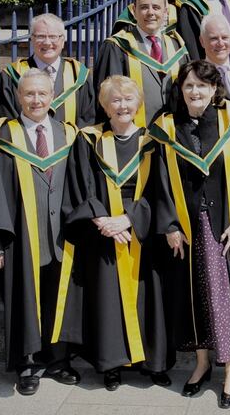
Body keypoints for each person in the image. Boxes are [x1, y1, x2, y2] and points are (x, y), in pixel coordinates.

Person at [147, 60, 230, 409]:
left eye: (202, 86)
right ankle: (201, 362)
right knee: (192, 294)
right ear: (180, 91)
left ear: (215, 90)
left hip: (223, 223)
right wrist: (168, 225)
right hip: (184, 226)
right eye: (188, 86)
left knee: (220, 293)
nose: (195, 92)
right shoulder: (166, 126)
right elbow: (158, 183)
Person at [0, 69, 82, 396]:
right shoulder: (3, 137)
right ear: (19, 97)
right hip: (20, 236)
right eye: (29, 94)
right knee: (23, 300)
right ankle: (28, 363)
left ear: (52, 97)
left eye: (42, 94)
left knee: (58, 298)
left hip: (63, 235)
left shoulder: (69, 134)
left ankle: (59, 359)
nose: (36, 100)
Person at [61, 76, 173, 390]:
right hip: (103, 232)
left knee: (147, 297)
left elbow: (162, 191)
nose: (122, 106)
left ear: (138, 104)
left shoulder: (154, 142)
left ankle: (154, 363)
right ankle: (112, 365)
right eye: (115, 100)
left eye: (128, 99)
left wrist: (128, 219)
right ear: (105, 106)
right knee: (107, 299)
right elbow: (78, 185)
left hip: (140, 231)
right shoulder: (89, 140)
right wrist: (101, 220)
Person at [94, 0, 189, 126]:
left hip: (173, 136)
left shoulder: (177, 46)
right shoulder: (117, 46)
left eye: (156, 7)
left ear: (165, 12)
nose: (150, 12)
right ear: (134, 11)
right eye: (144, 7)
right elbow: (106, 99)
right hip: (132, 136)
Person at [0, 13, 98, 129]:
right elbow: (1, 125)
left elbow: (88, 123)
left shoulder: (79, 75)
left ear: (63, 41)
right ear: (32, 39)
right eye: (40, 36)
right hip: (24, 146)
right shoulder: (10, 77)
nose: (47, 42)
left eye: (53, 36)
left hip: (71, 146)